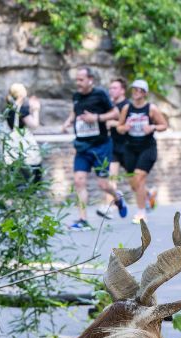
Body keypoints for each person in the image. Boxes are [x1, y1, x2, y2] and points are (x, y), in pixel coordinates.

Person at [60, 67, 126, 231]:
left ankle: (117, 197)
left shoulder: (100, 94)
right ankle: (83, 220)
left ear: (90, 80)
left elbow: (115, 113)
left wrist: (95, 118)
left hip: (100, 146)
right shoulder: (76, 96)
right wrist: (68, 122)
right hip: (82, 146)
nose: (78, 83)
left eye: (81, 80)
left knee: (103, 184)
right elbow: (76, 111)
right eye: (77, 80)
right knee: (78, 181)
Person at [116, 79, 168, 224]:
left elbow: (164, 125)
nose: (136, 92)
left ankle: (141, 213)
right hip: (130, 148)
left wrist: (153, 127)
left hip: (147, 148)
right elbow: (119, 128)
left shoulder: (151, 108)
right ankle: (149, 194)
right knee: (133, 182)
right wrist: (124, 128)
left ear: (145, 93)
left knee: (138, 178)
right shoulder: (127, 108)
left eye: (139, 90)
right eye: (134, 89)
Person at [4, 83, 43, 187]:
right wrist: (36, 110)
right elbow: (34, 125)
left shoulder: (10, 108)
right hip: (24, 148)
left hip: (12, 147)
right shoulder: (22, 109)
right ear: (22, 94)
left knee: (16, 180)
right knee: (31, 178)